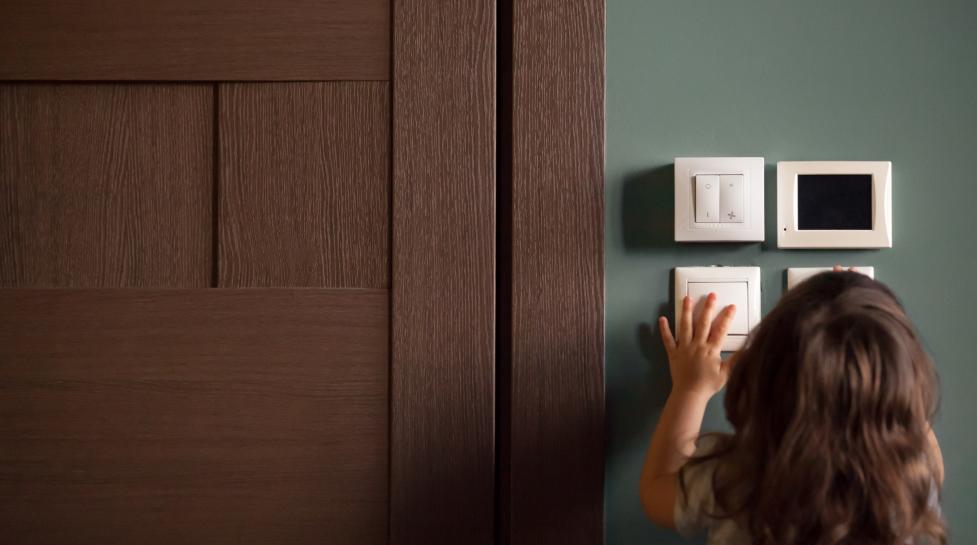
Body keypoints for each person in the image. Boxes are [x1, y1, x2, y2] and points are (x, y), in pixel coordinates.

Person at [639, 268, 945, 545]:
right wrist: (874, 345)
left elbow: (655, 493)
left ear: (763, 373)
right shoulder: (906, 483)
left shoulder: (736, 476)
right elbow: (933, 466)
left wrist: (691, 390)